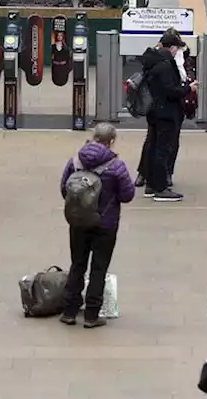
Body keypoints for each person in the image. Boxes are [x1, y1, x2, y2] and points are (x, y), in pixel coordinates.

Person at [58, 123, 136, 329]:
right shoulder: (116, 166)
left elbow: (64, 188)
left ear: (93, 137)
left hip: (78, 221)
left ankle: (69, 311)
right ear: (111, 141)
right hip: (105, 224)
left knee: (77, 264)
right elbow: (128, 195)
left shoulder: (75, 161)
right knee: (98, 268)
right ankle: (91, 315)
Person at [136, 29, 192, 202]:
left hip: (154, 111)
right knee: (162, 149)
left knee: (153, 146)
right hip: (166, 112)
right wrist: (189, 89)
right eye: (177, 48)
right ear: (172, 47)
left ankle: (150, 184)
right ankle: (160, 188)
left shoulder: (153, 60)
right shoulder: (166, 65)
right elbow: (171, 90)